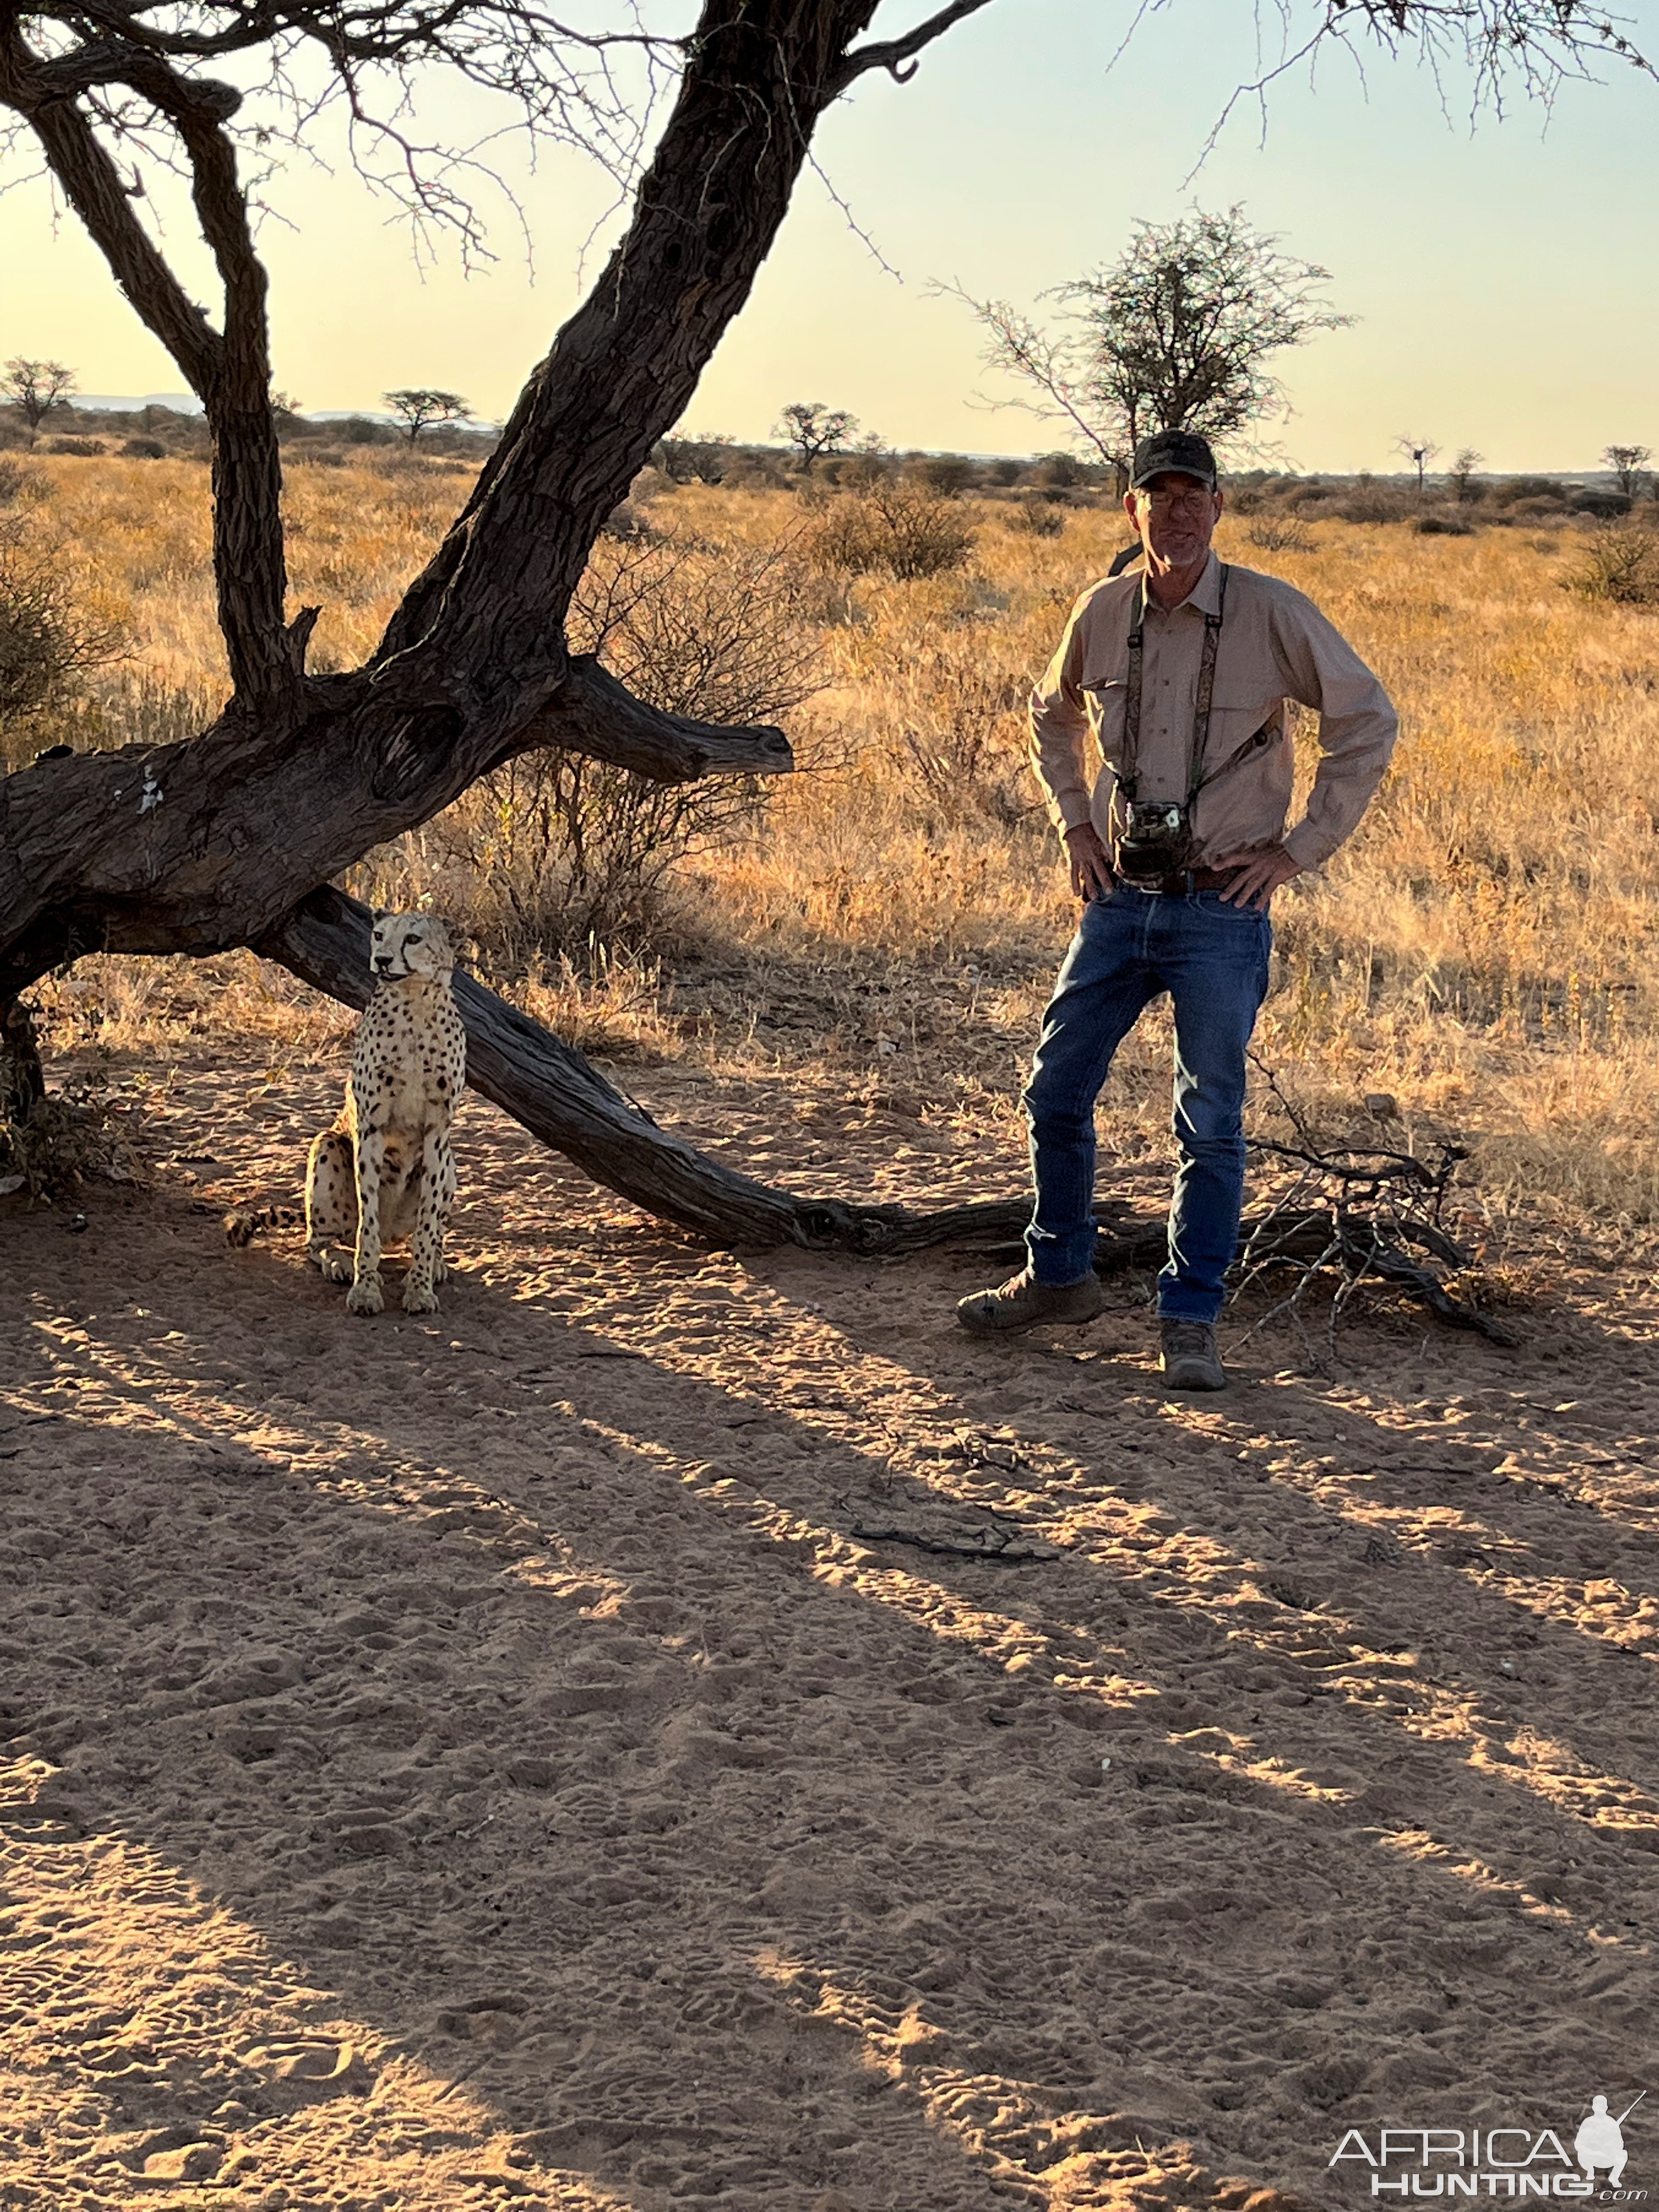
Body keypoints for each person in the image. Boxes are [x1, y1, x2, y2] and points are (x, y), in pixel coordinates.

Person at [958, 429, 1398, 1390]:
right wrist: (1076, 828)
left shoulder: (1271, 611)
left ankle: (1190, 1318)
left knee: (1211, 1121)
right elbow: (1051, 712)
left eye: (1193, 495)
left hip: (1221, 912)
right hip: (1118, 899)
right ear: (1132, 510)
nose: (1177, 511)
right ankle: (1058, 1275)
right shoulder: (1101, 609)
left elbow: (1368, 718)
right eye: (1158, 496)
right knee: (1056, 1090)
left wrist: (1298, 851)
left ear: (1219, 505)